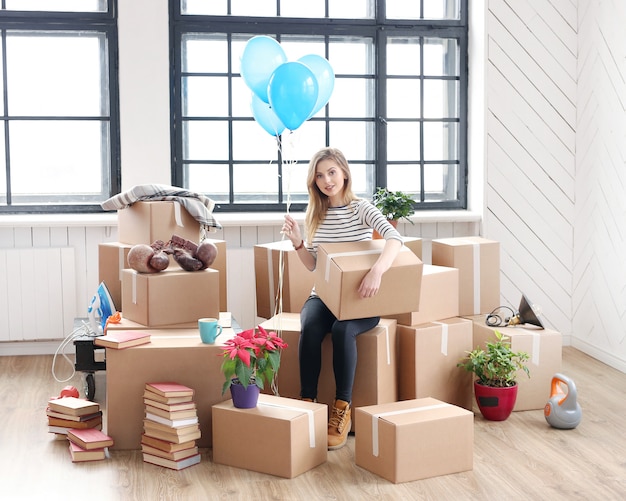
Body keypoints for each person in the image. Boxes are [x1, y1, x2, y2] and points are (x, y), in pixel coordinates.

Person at [282, 147, 404, 450]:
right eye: (320, 176)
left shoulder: (361, 208)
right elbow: (314, 265)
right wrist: (298, 243)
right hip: (323, 296)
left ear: (344, 173)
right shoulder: (315, 214)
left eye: (332, 172)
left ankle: (341, 408)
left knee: (342, 330)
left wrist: (376, 272)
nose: (327, 180)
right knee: (309, 326)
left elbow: (395, 238)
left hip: (361, 298)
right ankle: (308, 402)